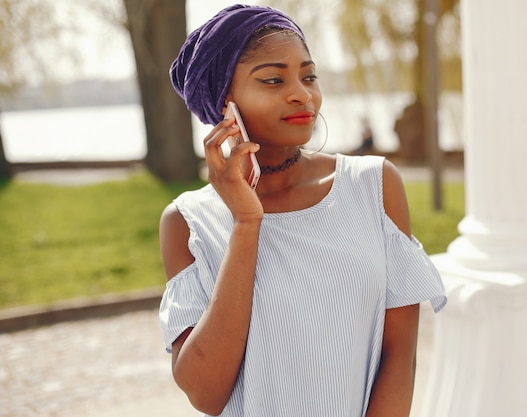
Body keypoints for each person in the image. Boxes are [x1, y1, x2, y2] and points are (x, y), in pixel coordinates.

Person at [158, 4, 447, 417]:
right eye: (274, 79)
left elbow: (399, 354)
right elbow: (206, 393)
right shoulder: (188, 222)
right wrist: (245, 222)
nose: (302, 94)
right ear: (225, 104)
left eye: (308, 76)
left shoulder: (374, 185)